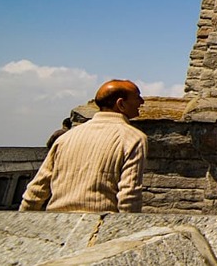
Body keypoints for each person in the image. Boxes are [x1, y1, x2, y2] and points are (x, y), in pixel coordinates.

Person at [20, 80, 147, 213]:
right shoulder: (133, 138)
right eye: (137, 97)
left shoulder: (66, 137)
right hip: (99, 226)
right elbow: (129, 195)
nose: (142, 102)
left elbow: (36, 189)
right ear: (121, 104)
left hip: (57, 222)